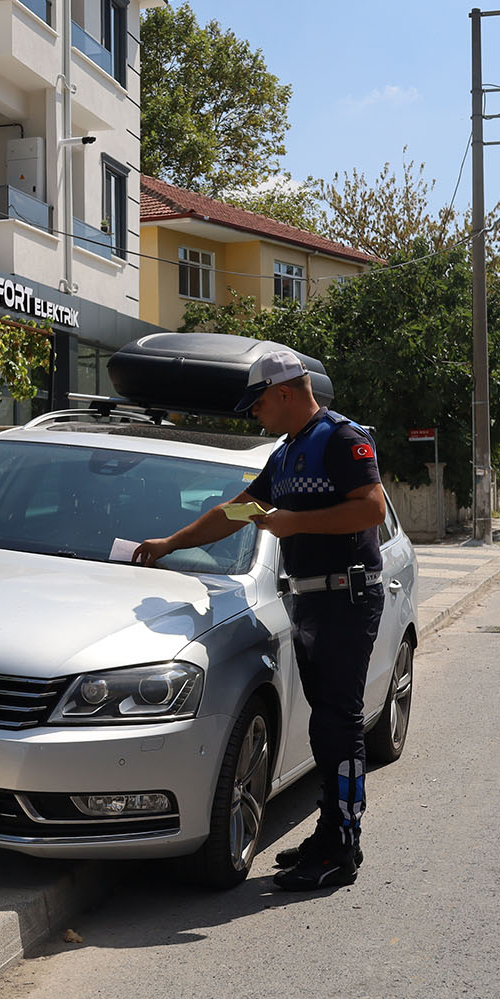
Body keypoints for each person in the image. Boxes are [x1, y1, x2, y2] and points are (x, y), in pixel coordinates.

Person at [132, 349, 386, 892]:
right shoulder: (290, 452)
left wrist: (298, 523)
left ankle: (344, 847)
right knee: (324, 723)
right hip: (312, 602)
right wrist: (170, 544)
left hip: (348, 598)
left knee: (338, 724)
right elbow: (239, 509)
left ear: (287, 393)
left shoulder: (341, 438)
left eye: (260, 403)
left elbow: (371, 508)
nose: (256, 414)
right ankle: (329, 833)